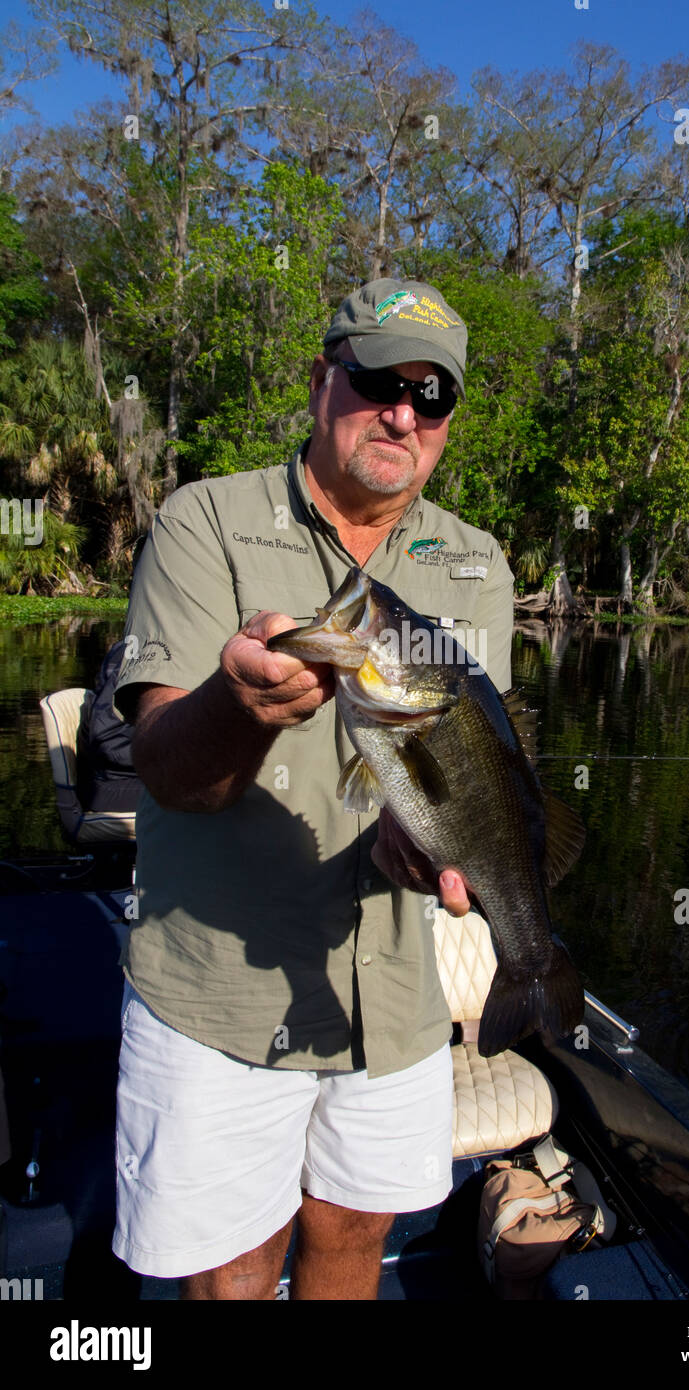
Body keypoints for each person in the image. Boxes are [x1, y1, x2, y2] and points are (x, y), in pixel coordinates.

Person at [111, 278, 515, 1300]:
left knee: (352, 1232)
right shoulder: (204, 520)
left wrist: (421, 852)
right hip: (221, 999)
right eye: (378, 378)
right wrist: (238, 707)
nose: (402, 413)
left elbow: (472, 774)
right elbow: (165, 769)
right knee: (237, 1268)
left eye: (432, 397)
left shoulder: (476, 564)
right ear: (318, 379)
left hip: (396, 1002)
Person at [77, 639, 143, 814]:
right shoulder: (139, 652)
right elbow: (110, 744)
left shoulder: (127, 646)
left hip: (142, 778)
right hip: (117, 786)